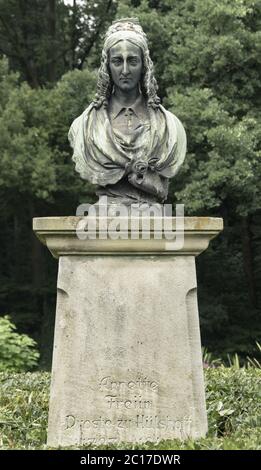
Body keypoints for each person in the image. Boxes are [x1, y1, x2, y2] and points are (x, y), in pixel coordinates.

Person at [68, 18, 186, 206]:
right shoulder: (84, 126)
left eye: (132, 61)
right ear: (107, 66)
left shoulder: (170, 127)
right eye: (117, 61)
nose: (125, 70)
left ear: (144, 66)